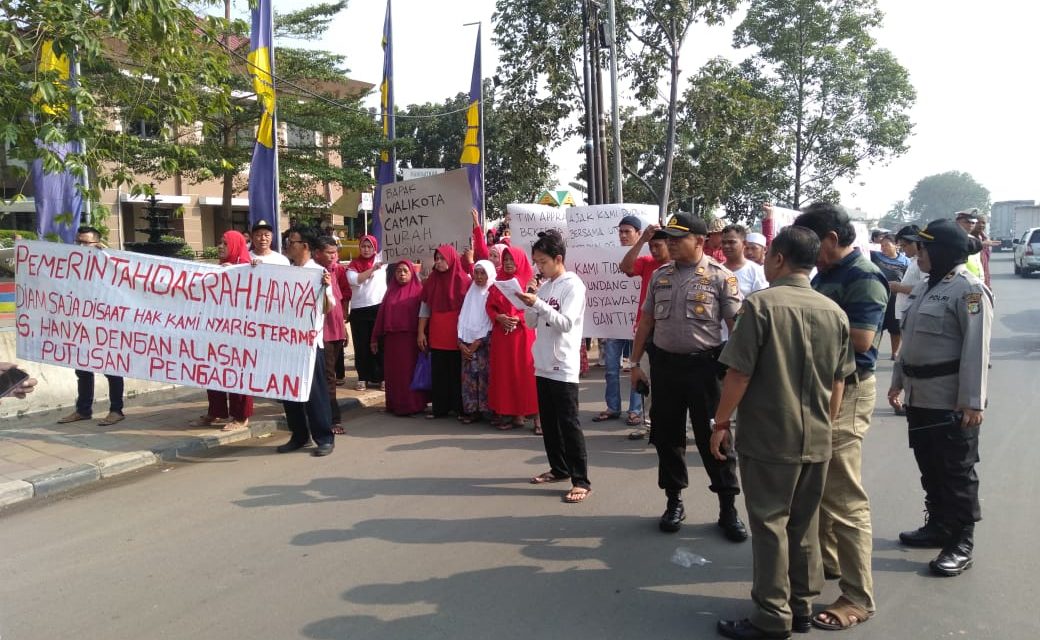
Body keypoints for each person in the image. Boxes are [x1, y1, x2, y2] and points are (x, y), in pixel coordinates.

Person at [710, 226, 856, 640]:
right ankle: (802, 605)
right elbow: (840, 381)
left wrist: (720, 423)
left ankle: (772, 616)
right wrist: (822, 425)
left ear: (778, 259)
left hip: (771, 438)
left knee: (770, 524)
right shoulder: (834, 312)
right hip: (816, 439)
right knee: (804, 524)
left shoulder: (761, 306)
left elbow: (738, 373)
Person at [792, 202, 889, 631]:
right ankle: (828, 564)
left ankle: (858, 596)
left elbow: (863, 339)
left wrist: (798, 323)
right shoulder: (828, 274)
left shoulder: (863, 277)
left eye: (815, 246)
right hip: (820, 387)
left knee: (844, 497)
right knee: (819, 483)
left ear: (830, 239)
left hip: (847, 391)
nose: (811, 256)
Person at [628, 212, 747, 541]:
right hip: (665, 368)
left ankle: (728, 507)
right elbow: (647, 322)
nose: (670, 244)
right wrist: (635, 363)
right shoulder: (660, 276)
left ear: (699, 240)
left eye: (678, 239)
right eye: (668, 238)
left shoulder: (721, 277)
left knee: (716, 436)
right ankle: (674, 501)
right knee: (667, 437)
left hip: (705, 369)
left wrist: (739, 371)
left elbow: (737, 327)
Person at [888, 219, 992, 577]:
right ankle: (938, 525)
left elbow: (976, 349)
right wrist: (897, 381)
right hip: (919, 396)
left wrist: (973, 401)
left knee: (956, 472)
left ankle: (961, 540)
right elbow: (910, 341)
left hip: (950, 400)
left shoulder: (969, 290)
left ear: (944, 251)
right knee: (929, 465)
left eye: (925, 247)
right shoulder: (923, 288)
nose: (919, 252)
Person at [520, 229, 591, 504]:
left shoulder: (573, 285)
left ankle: (581, 479)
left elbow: (566, 324)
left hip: (563, 363)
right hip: (543, 362)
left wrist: (538, 303)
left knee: (568, 423)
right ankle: (559, 468)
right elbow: (529, 322)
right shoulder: (546, 286)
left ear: (558, 258)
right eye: (536, 262)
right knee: (548, 422)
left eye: (542, 261)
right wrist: (530, 299)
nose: (539, 267)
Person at [57, 226, 126, 427]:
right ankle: (83, 410)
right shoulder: (72, 266)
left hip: (106, 326)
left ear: (97, 243)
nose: (80, 246)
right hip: (82, 326)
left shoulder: (110, 264)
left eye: (85, 242)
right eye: (78, 242)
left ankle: (116, 410)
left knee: (112, 369)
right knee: (83, 370)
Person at [277, 226, 336, 457]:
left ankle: (324, 437)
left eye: (292, 241)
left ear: (305, 246)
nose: (288, 245)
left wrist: (324, 287)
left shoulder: (318, 273)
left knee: (315, 394)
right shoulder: (286, 271)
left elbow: (328, 308)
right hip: (287, 343)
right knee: (290, 393)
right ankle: (299, 435)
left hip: (310, 344)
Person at [192, 230, 255, 430]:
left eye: (224, 243)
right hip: (217, 329)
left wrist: (242, 271)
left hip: (240, 331)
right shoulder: (217, 270)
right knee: (213, 370)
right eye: (219, 242)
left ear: (236, 245)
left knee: (237, 372)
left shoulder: (250, 268)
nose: (220, 246)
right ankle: (216, 411)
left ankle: (241, 417)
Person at [619, 223, 672, 439]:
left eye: (657, 245)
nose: (653, 250)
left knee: (673, 381)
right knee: (647, 377)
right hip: (648, 330)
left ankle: (679, 426)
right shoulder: (648, 263)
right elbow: (625, 267)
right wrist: (641, 240)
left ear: (670, 244)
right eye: (651, 246)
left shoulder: (679, 266)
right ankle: (650, 424)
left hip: (672, 331)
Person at [594, 214, 645, 427]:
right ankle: (613, 406)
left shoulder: (647, 255)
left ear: (638, 234)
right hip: (613, 324)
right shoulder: (608, 254)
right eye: (621, 231)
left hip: (638, 325)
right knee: (611, 369)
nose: (623, 235)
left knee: (636, 368)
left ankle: (635, 410)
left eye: (628, 232)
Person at [486, 246, 540, 430]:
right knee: (505, 374)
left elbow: (537, 308)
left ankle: (533, 415)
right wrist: (498, 317)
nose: (508, 263)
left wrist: (519, 318)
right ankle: (511, 414)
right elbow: (490, 306)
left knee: (524, 374)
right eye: (506, 259)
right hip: (502, 336)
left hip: (523, 335)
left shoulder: (529, 283)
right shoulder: (498, 282)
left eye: (512, 260)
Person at [418, 245, 471, 419]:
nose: (439, 262)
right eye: (437, 258)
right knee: (439, 371)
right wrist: (421, 332)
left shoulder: (464, 281)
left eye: (442, 258)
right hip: (438, 333)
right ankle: (440, 408)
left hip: (456, 334)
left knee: (456, 372)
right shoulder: (432, 280)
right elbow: (425, 308)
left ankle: (459, 408)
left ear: (451, 259)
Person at [372, 261, 429, 416]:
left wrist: (423, 334)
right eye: (398, 271)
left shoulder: (419, 292)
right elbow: (381, 316)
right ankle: (394, 404)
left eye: (405, 271)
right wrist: (374, 338)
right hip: (392, 341)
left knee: (409, 373)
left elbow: (425, 315)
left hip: (411, 340)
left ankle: (412, 405)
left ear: (412, 273)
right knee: (393, 374)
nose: (402, 274)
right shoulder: (390, 292)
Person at [888, 225, 926, 416]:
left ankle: (907, 398)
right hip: (905, 314)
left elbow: (924, 288)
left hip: (913, 314)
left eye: (905, 245)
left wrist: (898, 287)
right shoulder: (913, 261)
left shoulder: (923, 263)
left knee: (909, 357)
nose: (903, 249)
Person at [315, 236, 348, 434]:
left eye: (335, 252)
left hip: (337, 331)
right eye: (329, 252)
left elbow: (341, 301)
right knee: (329, 378)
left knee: (331, 376)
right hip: (322, 334)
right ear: (317, 253)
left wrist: (344, 329)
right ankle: (332, 419)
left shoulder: (336, 271)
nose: (334, 256)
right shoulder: (314, 273)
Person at [346, 235, 387, 391]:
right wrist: (373, 269)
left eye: (370, 246)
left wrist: (384, 220)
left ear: (375, 248)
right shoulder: (352, 265)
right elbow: (356, 280)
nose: (366, 249)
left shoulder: (380, 261)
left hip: (378, 309)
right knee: (362, 346)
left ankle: (383, 377)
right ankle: (363, 377)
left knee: (380, 345)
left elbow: (392, 240)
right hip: (359, 311)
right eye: (363, 246)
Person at [458, 260, 496, 424]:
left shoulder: (492, 292)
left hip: (485, 346)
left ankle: (488, 410)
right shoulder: (471, 293)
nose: (479, 277)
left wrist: (479, 341)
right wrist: (460, 342)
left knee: (485, 377)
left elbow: (492, 320)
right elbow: (463, 319)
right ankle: (472, 411)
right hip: (467, 344)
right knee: (469, 377)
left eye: (483, 273)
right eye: (476, 273)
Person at [870, 232, 910, 360]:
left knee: (895, 328)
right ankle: (873, 351)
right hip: (878, 297)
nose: (883, 248)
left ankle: (895, 352)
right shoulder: (875, 256)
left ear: (896, 245)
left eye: (886, 245)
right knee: (877, 326)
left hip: (895, 299)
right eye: (881, 245)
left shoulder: (906, 262)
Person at [721, 224, 769, 297]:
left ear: (744, 243)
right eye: (724, 243)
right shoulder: (717, 270)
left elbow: (762, 301)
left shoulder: (756, 271)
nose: (726, 246)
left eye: (731, 242)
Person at [971, 215, 1000, 289]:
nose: (981, 225)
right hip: (971, 282)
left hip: (984, 281)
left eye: (983, 223)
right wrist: (982, 243)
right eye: (978, 222)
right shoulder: (968, 239)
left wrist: (988, 285)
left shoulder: (984, 238)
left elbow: (985, 265)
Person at [954, 210, 984, 279]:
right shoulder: (953, 238)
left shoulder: (973, 239)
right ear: (957, 222)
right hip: (961, 280)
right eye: (967, 222)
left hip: (976, 280)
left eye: (973, 222)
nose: (970, 225)